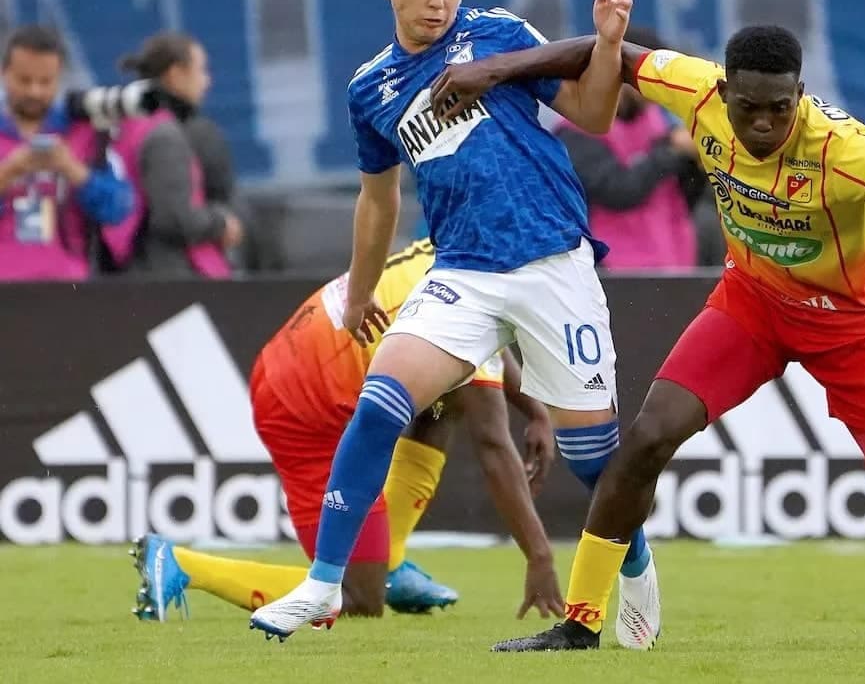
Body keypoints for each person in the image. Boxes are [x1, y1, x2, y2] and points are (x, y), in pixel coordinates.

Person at [429, 25, 865, 651]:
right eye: (748, 108)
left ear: (800, 96)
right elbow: (609, 54)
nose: (763, 124)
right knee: (647, 438)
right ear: (724, 91)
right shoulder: (695, 88)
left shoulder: (849, 151)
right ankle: (581, 622)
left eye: (779, 110)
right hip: (752, 305)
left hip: (853, 323)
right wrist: (495, 69)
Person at [248, 0, 661, 650]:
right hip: (461, 270)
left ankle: (633, 567)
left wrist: (604, 45)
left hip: (552, 264)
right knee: (379, 403)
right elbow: (379, 201)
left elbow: (594, 114)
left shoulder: (500, 33)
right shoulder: (370, 88)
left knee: (593, 461)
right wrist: (361, 293)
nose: (438, 1)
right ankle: (319, 585)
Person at [131, 238, 561, 622]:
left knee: (443, 405)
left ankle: (387, 560)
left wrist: (535, 411)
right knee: (357, 598)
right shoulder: (477, 301)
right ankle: (182, 564)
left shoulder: (464, 250)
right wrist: (539, 558)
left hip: (300, 361)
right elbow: (492, 446)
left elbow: (486, 353)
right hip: (300, 406)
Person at [554, 26, 703, 271]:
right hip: (610, 272)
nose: (662, 90)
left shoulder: (657, 120)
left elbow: (683, 197)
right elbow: (618, 191)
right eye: (654, 78)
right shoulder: (575, 131)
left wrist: (694, 161)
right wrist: (672, 152)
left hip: (673, 262)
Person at [0, 26, 133, 280]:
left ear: (59, 78)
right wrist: (9, 172)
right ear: (4, 73)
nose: (34, 91)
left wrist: (74, 171)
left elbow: (120, 208)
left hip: (66, 285)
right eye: (24, 80)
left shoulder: (85, 131)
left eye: (45, 82)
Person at [106, 32, 242, 277]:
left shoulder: (125, 125)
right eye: (201, 71)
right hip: (170, 277)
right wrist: (222, 223)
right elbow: (176, 217)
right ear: (176, 74)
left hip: (126, 268)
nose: (207, 81)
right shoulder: (168, 135)